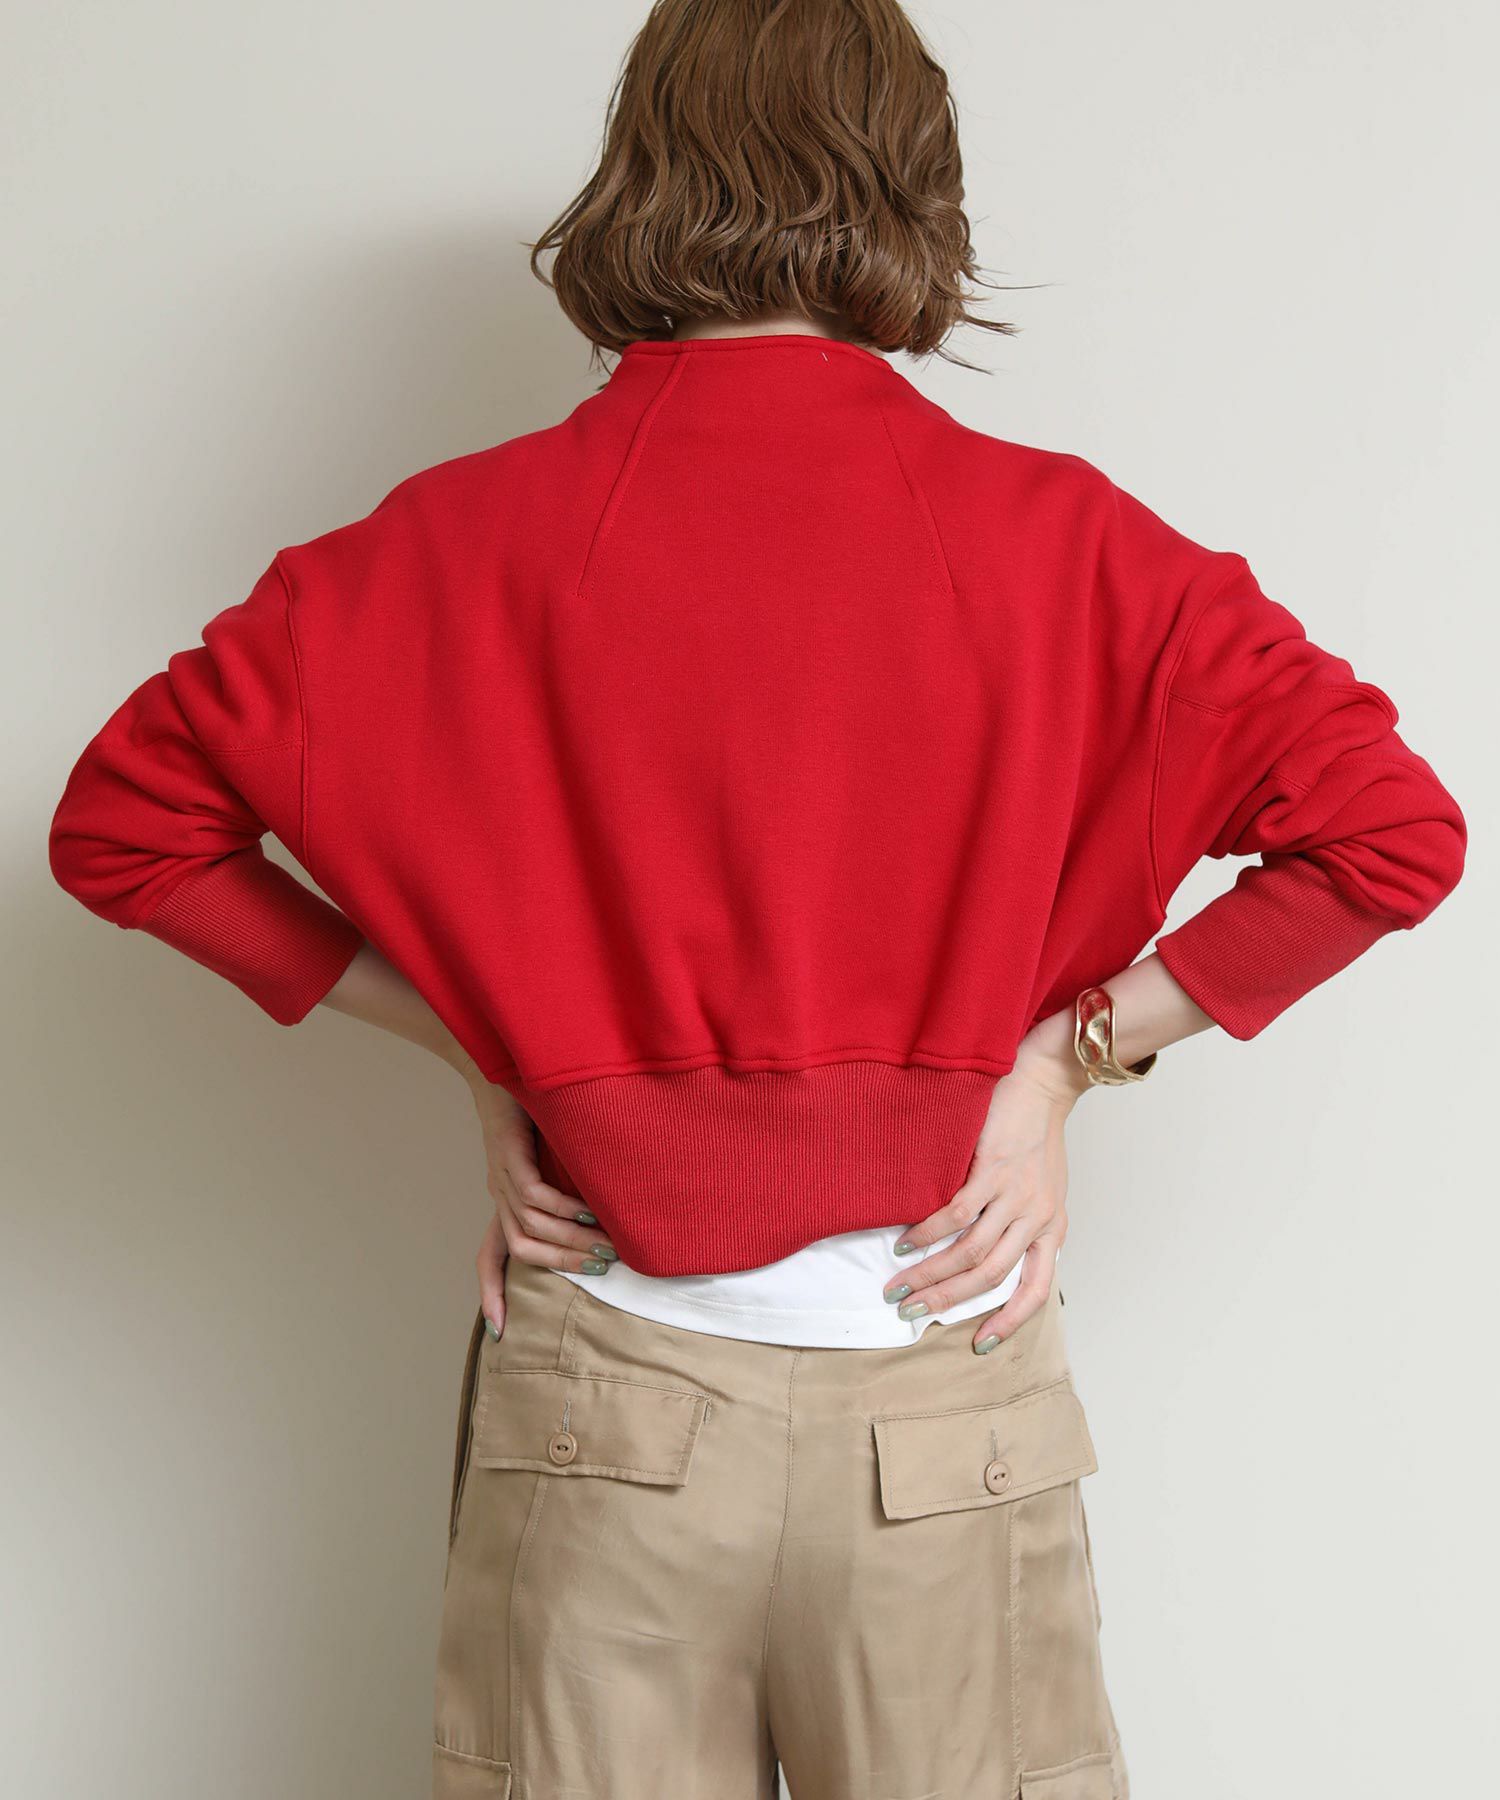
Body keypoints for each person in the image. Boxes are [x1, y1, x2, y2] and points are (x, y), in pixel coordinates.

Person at [47, 2, 1467, 1796]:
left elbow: (126, 827)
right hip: (946, 1409)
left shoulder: (438, 546)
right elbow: (1389, 835)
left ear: (641, 171)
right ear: (913, 181)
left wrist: (494, 1055)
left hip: (607, 1411)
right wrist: (1062, 1061)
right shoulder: (1071, 544)